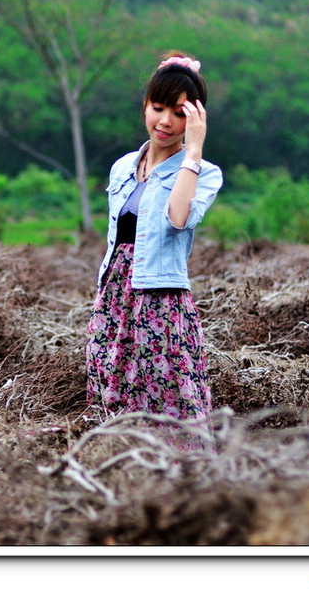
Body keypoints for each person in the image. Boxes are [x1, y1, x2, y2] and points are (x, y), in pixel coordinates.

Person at [84, 53, 223, 445]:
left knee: (169, 396)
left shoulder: (205, 172)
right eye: (158, 108)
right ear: (145, 105)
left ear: (194, 119)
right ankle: (120, 472)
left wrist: (192, 153)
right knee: (110, 387)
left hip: (159, 299)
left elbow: (178, 218)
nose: (165, 121)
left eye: (179, 113)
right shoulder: (123, 167)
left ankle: (183, 487)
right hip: (114, 296)